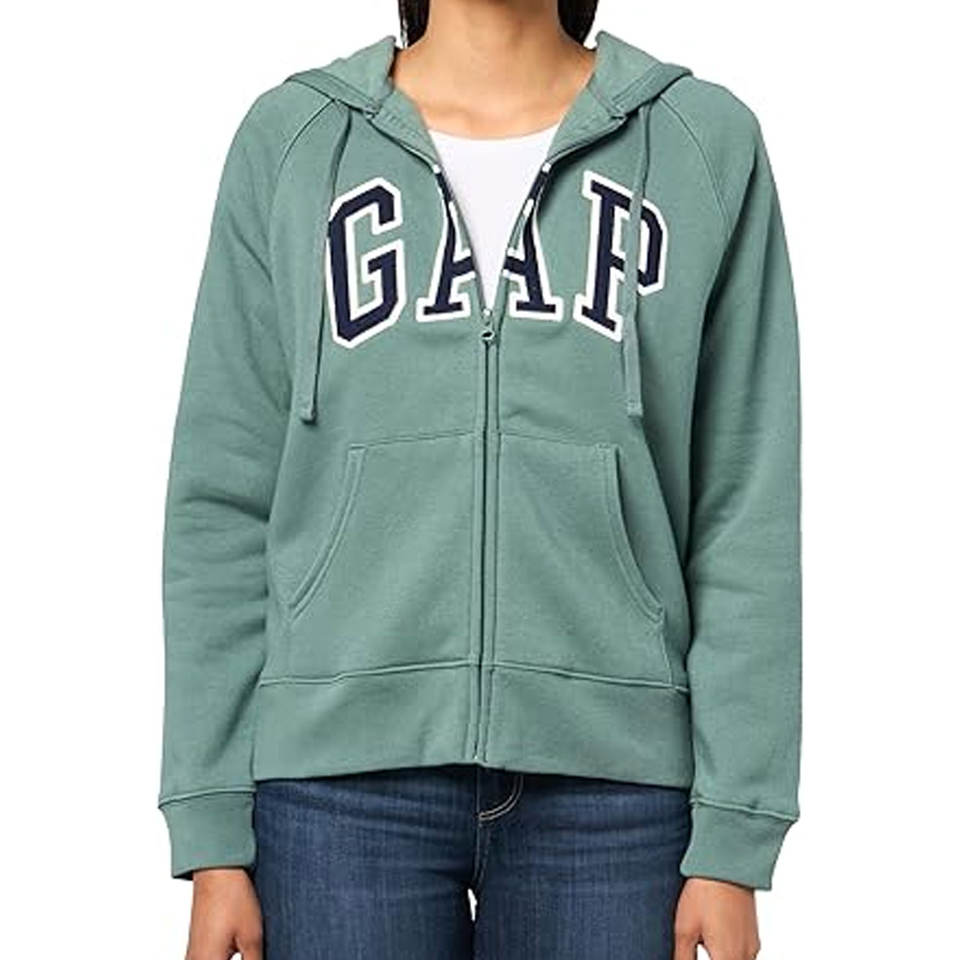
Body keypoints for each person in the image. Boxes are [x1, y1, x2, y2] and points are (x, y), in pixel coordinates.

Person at [159, 0, 802, 957]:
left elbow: (744, 507)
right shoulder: (292, 141)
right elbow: (221, 497)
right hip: (337, 788)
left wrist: (736, 833)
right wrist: (210, 824)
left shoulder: (700, 143)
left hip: (616, 796)